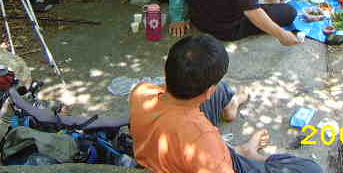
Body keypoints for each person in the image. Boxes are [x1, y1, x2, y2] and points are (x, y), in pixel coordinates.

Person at [130, 35, 322, 173]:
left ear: (167, 69)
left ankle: (233, 111)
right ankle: (247, 154)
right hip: (209, 158)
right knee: (310, 169)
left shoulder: (141, 91)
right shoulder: (202, 138)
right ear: (209, 92)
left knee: (213, 85)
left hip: (165, 153)